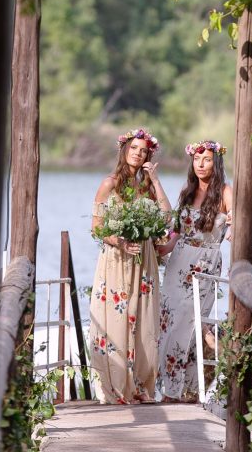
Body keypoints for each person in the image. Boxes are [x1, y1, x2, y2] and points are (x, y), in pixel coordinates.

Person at [88, 127, 172, 405]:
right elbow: (96, 227)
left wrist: (156, 180)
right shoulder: (109, 183)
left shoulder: (147, 186)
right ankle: (115, 385)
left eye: (143, 150)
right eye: (134, 148)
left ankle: (141, 385)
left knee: (145, 322)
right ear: (124, 150)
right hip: (116, 260)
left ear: (149, 155)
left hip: (144, 259)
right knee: (115, 320)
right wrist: (121, 243)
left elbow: (167, 217)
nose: (138, 154)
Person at [157, 139, 232, 403]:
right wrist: (161, 248)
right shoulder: (187, 191)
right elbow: (176, 233)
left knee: (188, 324)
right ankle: (179, 390)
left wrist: (234, 228)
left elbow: (237, 219)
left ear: (216, 162)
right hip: (178, 262)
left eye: (207, 159)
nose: (201, 164)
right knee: (168, 323)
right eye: (197, 159)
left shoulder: (225, 192)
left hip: (205, 264)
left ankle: (179, 390)